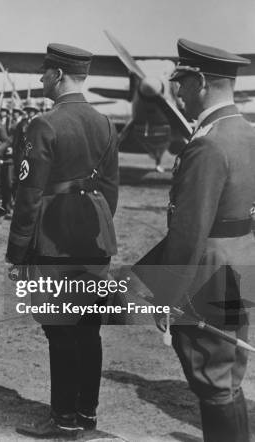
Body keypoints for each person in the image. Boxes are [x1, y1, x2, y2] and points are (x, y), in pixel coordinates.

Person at [135, 39, 255, 442]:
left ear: (200, 81)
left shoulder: (207, 143)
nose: (178, 93)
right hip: (239, 262)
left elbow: (188, 232)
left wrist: (167, 296)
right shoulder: (246, 133)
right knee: (226, 376)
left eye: (181, 83)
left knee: (212, 379)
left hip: (208, 270)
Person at [7, 43, 119, 438]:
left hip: (52, 238)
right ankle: (86, 413)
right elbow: (111, 189)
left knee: (60, 329)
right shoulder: (105, 122)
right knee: (89, 327)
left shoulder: (44, 124)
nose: (41, 79)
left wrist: (18, 251)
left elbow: (28, 195)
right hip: (95, 237)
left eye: (45, 73)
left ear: (57, 75)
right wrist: (96, 226)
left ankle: (63, 420)